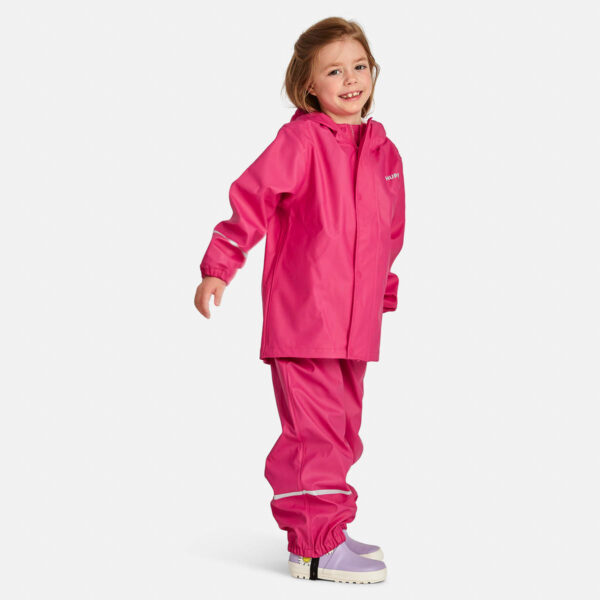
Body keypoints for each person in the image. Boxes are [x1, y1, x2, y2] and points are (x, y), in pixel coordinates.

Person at [194, 17, 405, 584]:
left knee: (343, 432)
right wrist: (219, 266)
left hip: (355, 326)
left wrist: (382, 297)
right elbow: (253, 198)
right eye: (333, 71)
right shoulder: (302, 141)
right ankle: (314, 549)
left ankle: (330, 529)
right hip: (305, 316)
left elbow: (390, 235)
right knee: (314, 435)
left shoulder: (385, 153)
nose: (350, 79)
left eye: (359, 66)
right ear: (309, 84)